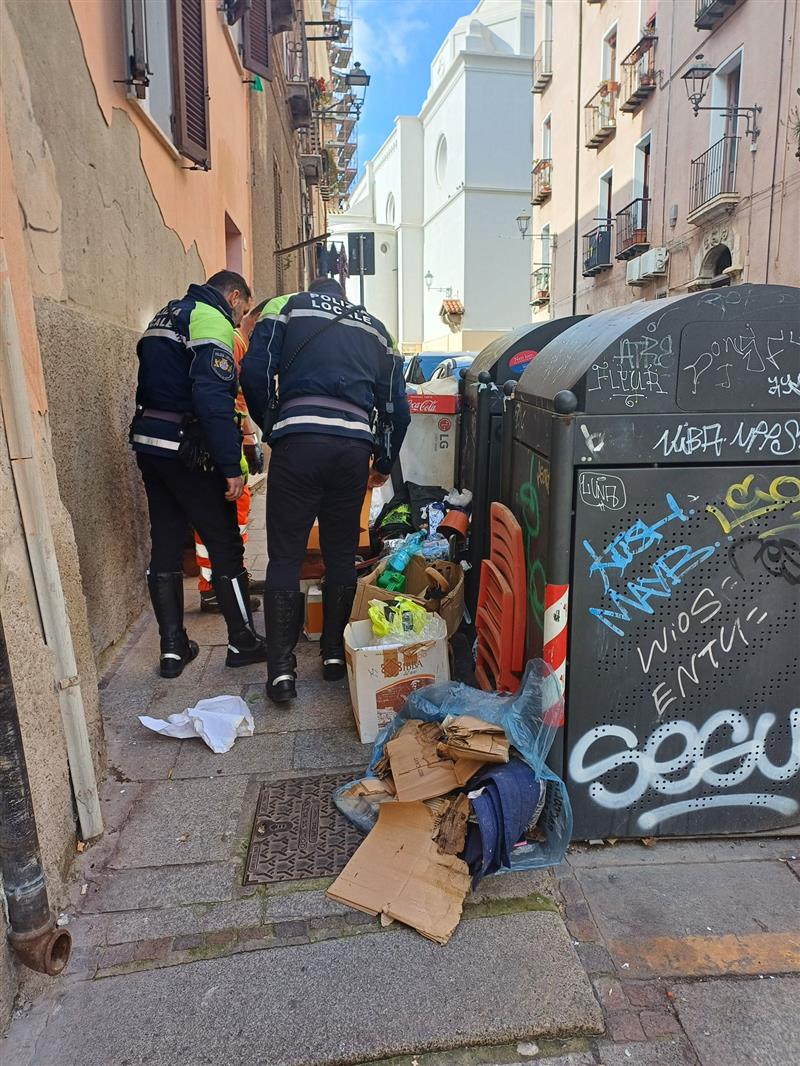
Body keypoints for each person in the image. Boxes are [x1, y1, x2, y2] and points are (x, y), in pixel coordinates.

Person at [241, 277, 410, 703]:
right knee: (339, 554)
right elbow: (396, 408)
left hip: (298, 442)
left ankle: (281, 672)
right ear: (343, 297)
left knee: (285, 556)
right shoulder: (374, 327)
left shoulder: (287, 308)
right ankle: (334, 655)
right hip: (351, 450)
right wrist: (384, 462)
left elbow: (254, 372)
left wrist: (271, 424)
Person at [130, 271, 267, 678]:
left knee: (167, 544)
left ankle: (172, 650)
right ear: (236, 296)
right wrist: (231, 467)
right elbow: (212, 398)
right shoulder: (209, 318)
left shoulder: (166, 315)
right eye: (242, 312)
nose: (239, 320)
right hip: (187, 447)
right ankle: (242, 640)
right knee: (224, 544)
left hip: (149, 444)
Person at [194, 299, 266, 612]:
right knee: (230, 513)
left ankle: (231, 579)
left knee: (234, 513)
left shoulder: (236, 342)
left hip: (226, 443)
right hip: (223, 445)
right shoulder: (235, 343)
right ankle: (215, 587)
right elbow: (229, 403)